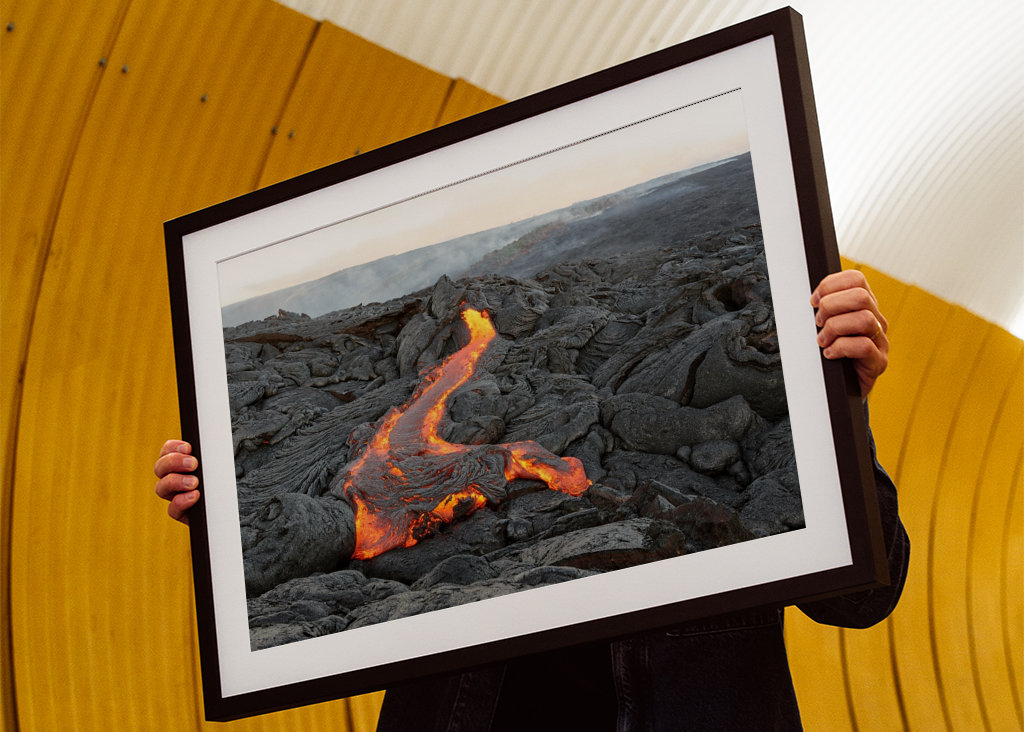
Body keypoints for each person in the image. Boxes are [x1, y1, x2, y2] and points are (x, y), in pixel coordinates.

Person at [155, 270, 908, 731]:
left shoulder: (771, 409)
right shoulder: (423, 455)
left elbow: (863, 598)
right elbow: (346, 538)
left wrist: (837, 409)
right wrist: (225, 508)